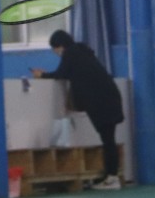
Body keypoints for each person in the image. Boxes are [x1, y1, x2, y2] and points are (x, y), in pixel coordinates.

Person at [35, 31, 125, 190]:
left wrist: (42, 75)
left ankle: (112, 177)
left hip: (102, 101)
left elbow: (61, 74)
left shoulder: (71, 53)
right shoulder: (82, 52)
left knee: (108, 140)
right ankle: (109, 175)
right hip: (109, 97)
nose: (56, 53)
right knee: (108, 139)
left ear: (59, 46)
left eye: (54, 49)